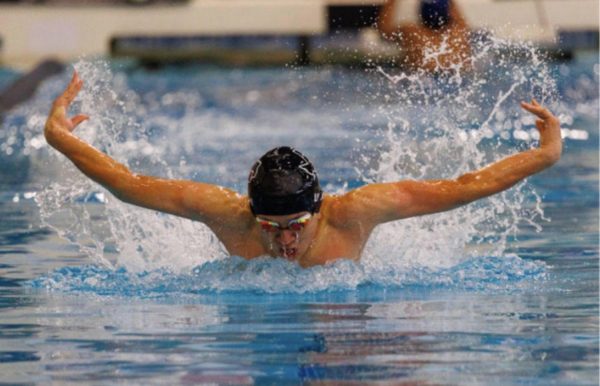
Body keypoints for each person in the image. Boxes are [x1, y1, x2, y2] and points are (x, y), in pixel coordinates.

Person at [44, 72, 562, 268]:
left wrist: (545, 155)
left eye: (295, 226)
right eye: (273, 228)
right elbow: (128, 185)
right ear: (253, 214)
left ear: (318, 209)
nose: (285, 242)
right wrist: (59, 138)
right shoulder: (229, 216)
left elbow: (462, 188)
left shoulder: (355, 214)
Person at [378, 0, 472, 73]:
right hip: (455, 78)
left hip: (424, 79)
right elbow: (456, 14)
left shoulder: (412, 33)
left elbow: (384, 31)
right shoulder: (459, 32)